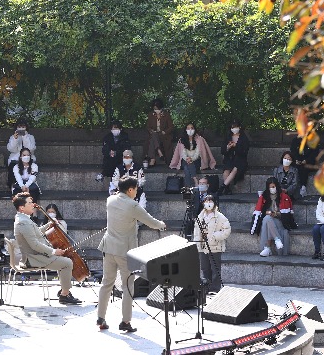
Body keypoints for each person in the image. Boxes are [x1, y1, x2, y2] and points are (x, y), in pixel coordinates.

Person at [97, 175, 167, 332]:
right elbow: (151, 221)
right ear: (130, 190)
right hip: (124, 251)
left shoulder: (110, 200)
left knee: (106, 283)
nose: (136, 192)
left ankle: (100, 317)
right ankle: (125, 322)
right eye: (135, 189)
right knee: (128, 286)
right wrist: (162, 225)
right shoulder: (132, 205)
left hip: (109, 248)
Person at [13, 192, 81, 305]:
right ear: (22, 207)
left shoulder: (24, 219)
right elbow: (34, 244)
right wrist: (54, 251)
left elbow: (36, 233)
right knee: (67, 262)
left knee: (64, 260)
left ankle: (65, 289)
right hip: (33, 258)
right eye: (30, 203)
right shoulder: (23, 222)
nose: (33, 205)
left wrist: (48, 225)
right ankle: (64, 295)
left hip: (35, 255)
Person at [193, 195, 231, 294]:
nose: (208, 203)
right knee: (205, 268)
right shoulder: (200, 217)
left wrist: (214, 236)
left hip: (215, 246)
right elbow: (196, 231)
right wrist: (197, 243)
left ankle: (215, 289)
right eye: (206, 201)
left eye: (210, 201)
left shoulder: (220, 217)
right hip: (202, 246)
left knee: (215, 269)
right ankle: (206, 287)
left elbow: (226, 230)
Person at [251, 177, 292, 257]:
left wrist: (276, 214)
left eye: (273, 187)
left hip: (280, 221)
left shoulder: (283, 197)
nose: (271, 189)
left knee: (267, 220)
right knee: (267, 218)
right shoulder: (264, 197)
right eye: (270, 187)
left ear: (277, 186)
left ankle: (267, 248)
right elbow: (260, 212)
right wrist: (267, 212)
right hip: (269, 220)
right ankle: (277, 239)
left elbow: (286, 215)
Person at [169, 123, 217, 187]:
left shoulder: (199, 139)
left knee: (186, 168)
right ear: (185, 130)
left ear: (195, 129)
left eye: (192, 128)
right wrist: (187, 158)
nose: (190, 130)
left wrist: (192, 159)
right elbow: (182, 153)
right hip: (185, 160)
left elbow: (198, 152)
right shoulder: (181, 140)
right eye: (188, 128)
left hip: (196, 160)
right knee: (187, 164)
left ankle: (188, 187)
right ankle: (195, 180)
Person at [218, 119, 250, 196]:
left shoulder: (244, 138)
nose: (234, 129)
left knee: (235, 169)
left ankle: (222, 187)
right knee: (226, 170)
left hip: (240, 159)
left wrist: (236, 146)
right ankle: (227, 188)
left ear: (239, 127)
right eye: (232, 127)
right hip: (230, 158)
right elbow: (223, 151)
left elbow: (244, 152)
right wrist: (228, 147)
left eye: (236, 127)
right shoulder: (228, 137)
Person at [6, 119, 36, 190]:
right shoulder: (12, 137)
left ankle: (27, 187)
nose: (21, 128)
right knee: (12, 167)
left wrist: (25, 137)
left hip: (28, 159)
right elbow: (11, 149)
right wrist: (15, 139)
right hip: (15, 159)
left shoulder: (31, 137)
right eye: (19, 126)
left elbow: (31, 149)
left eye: (23, 126)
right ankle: (13, 186)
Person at [143, 98, 174, 166]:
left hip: (163, 134)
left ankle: (152, 159)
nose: (156, 110)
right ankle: (159, 152)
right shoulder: (151, 115)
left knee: (152, 140)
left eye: (157, 109)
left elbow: (171, 127)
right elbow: (148, 126)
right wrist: (151, 131)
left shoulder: (166, 115)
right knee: (153, 135)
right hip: (154, 134)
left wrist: (164, 132)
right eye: (154, 109)